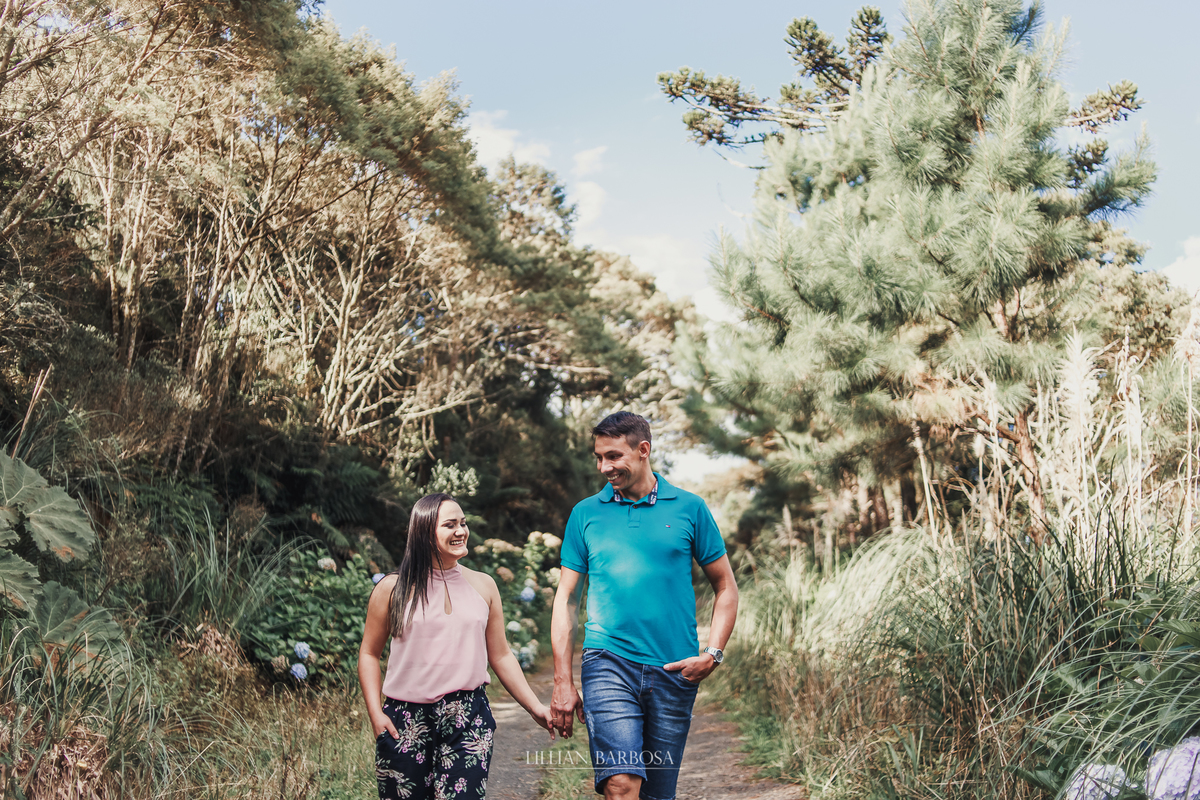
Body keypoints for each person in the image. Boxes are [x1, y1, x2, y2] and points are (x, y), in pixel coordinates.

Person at [550, 412, 739, 800]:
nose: (605, 467)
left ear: (643, 450)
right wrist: (562, 682)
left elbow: (726, 586)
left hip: (674, 670)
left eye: (614, 456)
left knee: (657, 794)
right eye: (599, 457)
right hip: (608, 661)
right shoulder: (585, 514)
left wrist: (713, 654)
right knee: (621, 785)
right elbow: (566, 599)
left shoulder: (689, 508)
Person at [359, 492, 553, 800]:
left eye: (463, 523)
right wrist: (375, 713)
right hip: (404, 721)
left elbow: (501, 655)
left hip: (468, 718)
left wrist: (535, 707)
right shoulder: (391, 588)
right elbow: (369, 653)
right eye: (450, 525)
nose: (461, 531)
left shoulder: (484, 585)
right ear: (424, 532)